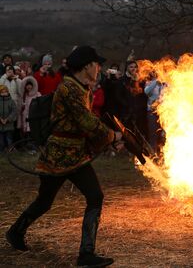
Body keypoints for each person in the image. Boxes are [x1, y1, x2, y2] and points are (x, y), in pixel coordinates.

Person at [5, 46, 123, 267]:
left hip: (75, 155)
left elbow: (86, 127)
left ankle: (86, 254)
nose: (99, 68)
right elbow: (86, 122)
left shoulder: (83, 88)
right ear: (87, 66)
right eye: (96, 64)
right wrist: (112, 135)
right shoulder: (69, 88)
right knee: (45, 201)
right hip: (59, 155)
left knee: (94, 197)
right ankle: (15, 232)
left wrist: (108, 140)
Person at [0, 84, 17, 152]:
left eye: (5, 92)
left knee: (9, 138)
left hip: (9, 124)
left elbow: (14, 111)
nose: (4, 93)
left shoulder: (11, 101)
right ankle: (1, 150)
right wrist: (0, 119)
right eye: (2, 92)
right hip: (0, 124)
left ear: (8, 92)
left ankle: (10, 149)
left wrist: (8, 119)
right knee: (1, 139)